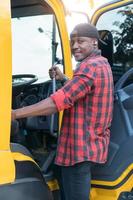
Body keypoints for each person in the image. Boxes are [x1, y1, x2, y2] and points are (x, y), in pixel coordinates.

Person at [12, 23, 114, 200]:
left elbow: (57, 102)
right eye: (72, 41)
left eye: (81, 41)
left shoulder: (89, 67)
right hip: (88, 145)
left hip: (79, 149)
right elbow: (81, 90)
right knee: (61, 176)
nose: (75, 46)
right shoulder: (100, 64)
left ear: (94, 43)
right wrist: (63, 78)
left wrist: (15, 114)